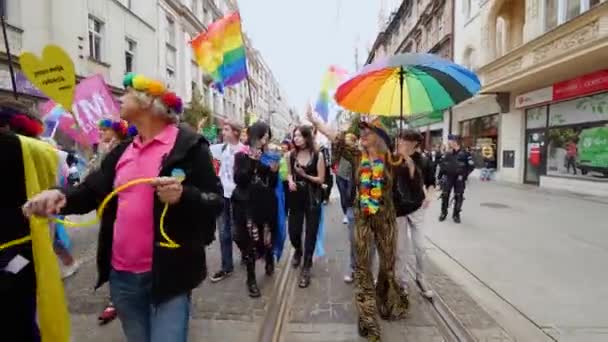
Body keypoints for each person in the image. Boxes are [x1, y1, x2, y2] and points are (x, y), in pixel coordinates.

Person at [23, 73, 223, 342]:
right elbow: (90, 192)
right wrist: (58, 196)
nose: (120, 97)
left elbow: (216, 201)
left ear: (147, 102)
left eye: (126, 92)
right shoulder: (123, 151)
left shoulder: (189, 147)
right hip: (123, 277)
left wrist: (183, 195)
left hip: (170, 276)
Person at [308, 107, 408, 341]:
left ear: (380, 136)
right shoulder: (356, 155)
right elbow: (336, 137)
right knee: (363, 268)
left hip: (386, 220)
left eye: (367, 130)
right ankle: (368, 321)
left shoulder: (392, 159)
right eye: (361, 130)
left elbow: (411, 175)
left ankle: (387, 301)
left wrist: (406, 159)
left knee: (387, 266)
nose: (362, 134)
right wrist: (315, 121)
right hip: (362, 217)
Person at [232, 121, 279, 298]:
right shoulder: (241, 156)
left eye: (268, 136)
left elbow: (272, 184)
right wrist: (253, 162)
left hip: (264, 204)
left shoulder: (269, 156)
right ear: (255, 136)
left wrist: (273, 171)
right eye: (263, 135)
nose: (266, 139)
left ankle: (269, 258)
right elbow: (239, 179)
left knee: (265, 238)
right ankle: (251, 279)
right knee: (248, 242)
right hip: (245, 205)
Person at [392, 130, 434, 299]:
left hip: (417, 207)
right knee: (400, 250)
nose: (401, 144)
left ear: (415, 144)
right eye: (401, 140)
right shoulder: (392, 159)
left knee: (420, 247)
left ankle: (420, 277)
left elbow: (431, 182)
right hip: (398, 209)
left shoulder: (424, 161)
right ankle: (401, 282)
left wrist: (429, 196)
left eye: (405, 142)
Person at [287, 125, 326, 288]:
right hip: (296, 197)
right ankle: (298, 249)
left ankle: (306, 267)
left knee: (311, 233)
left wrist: (304, 175)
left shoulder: (318, 155)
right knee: (294, 231)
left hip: (312, 197)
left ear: (307, 137)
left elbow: (321, 180)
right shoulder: (290, 155)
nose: (296, 138)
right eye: (294, 136)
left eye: (299, 136)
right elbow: (289, 173)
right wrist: (290, 180)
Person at [209, 121, 245, 283]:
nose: (223, 132)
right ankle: (226, 267)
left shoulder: (244, 151)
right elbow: (202, 149)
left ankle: (246, 252)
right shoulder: (221, 148)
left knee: (238, 232)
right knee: (223, 233)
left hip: (238, 197)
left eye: (226, 129)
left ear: (235, 132)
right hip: (223, 195)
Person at [334, 133, 358, 283]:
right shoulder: (348, 158)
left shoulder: (376, 158)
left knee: (371, 242)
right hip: (354, 204)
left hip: (372, 204)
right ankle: (353, 267)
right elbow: (342, 183)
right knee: (354, 238)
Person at [438, 134, 475, 224]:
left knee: (459, 196)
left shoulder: (465, 153)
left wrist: (464, 176)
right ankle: (443, 213)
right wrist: (440, 177)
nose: (449, 143)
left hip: (459, 178)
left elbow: (471, 166)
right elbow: (442, 165)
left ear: (455, 142)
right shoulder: (448, 153)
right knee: (445, 194)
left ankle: (456, 214)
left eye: (450, 141)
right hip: (448, 177)